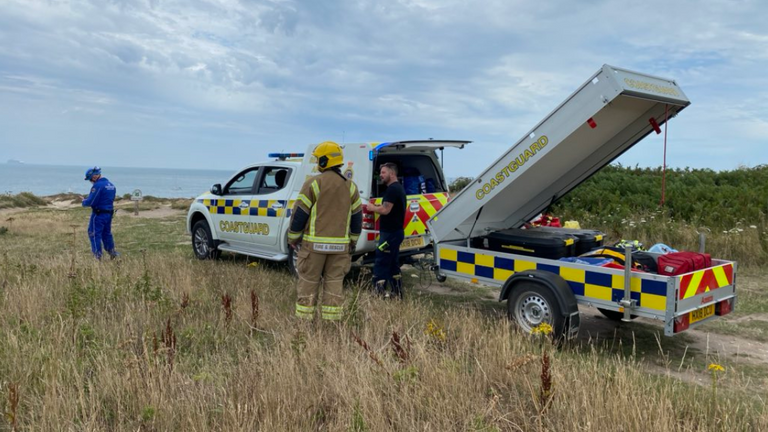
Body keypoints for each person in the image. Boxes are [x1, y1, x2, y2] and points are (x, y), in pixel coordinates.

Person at [287, 142, 362, 321]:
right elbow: (357, 218)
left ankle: (304, 324)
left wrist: (293, 238)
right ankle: (331, 323)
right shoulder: (351, 186)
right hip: (340, 250)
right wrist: (352, 241)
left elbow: (299, 215)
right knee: (334, 285)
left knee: (308, 284)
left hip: (314, 249)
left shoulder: (313, 183)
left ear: (324, 160)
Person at [367, 162, 406, 299]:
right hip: (395, 233)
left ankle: (378, 293)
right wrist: (380, 206)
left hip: (389, 235)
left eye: (383, 172)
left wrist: (372, 208)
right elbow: (388, 208)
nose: (381, 175)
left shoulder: (392, 190)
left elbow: (386, 210)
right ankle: (397, 292)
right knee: (393, 264)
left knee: (381, 262)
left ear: (392, 173)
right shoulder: (397, 188)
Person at [82, 167, 118, 259]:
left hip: (98, 214)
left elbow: (91, 201)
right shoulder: (111, 185)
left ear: (94, 177)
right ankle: (112, 253)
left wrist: (84, 201)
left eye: (90, 179)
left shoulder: (97, 186)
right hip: (108, 213)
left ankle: (97, 257)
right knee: (106, 233)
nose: (91, 182)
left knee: (94, 233)